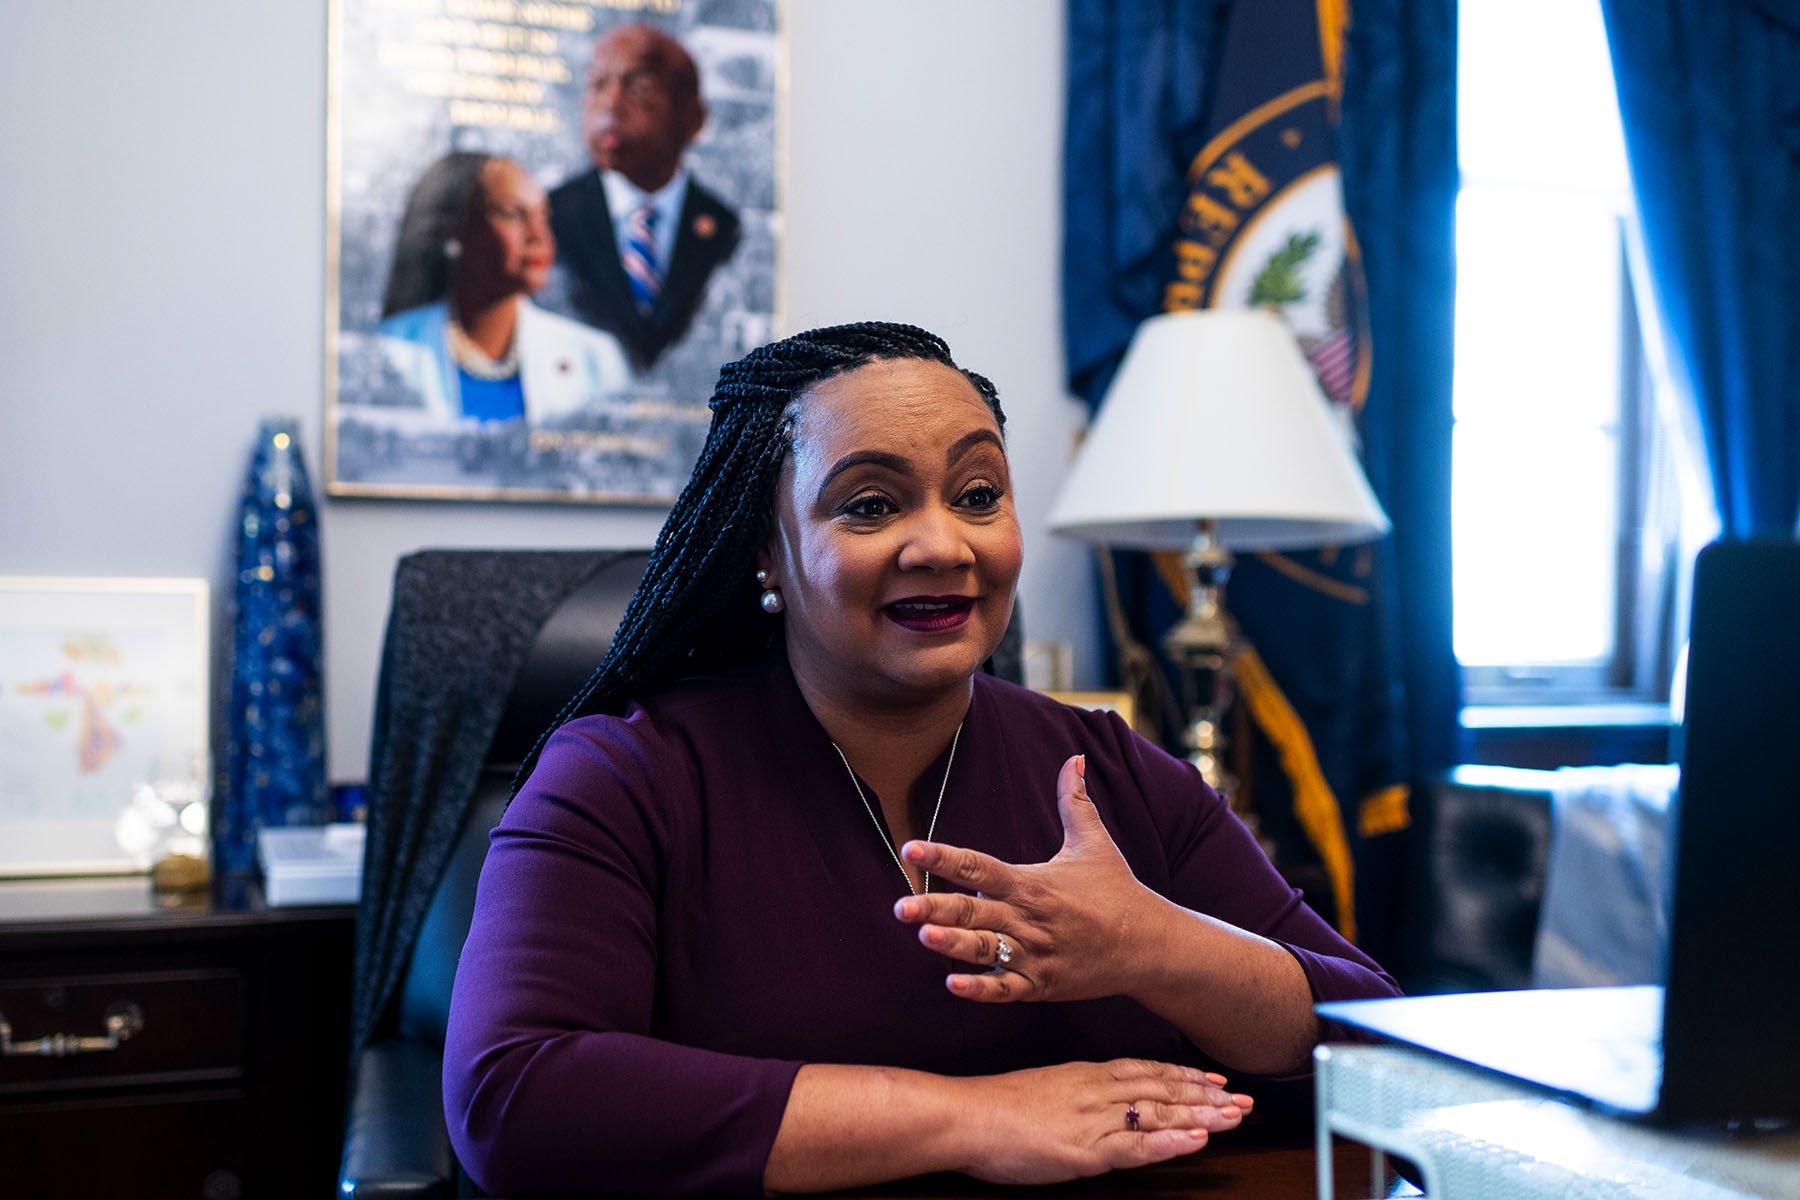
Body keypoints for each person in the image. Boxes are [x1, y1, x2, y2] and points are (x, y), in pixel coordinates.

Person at [442, 323, 1402, 1197]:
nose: (943, 545)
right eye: (869, 504)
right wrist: (974, 1119)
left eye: (979, 495)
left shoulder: (1103, 770)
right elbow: (514, 1096)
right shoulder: (622, 773)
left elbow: (1389, 1054)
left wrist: (1152, 946)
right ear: (767, 555)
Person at [378, 152, 630, 423]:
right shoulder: (391, 352)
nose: (538, 235)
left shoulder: (597, 359)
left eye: (543, 215)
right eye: (512, 214)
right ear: (453, 230)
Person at [549, 23, 742, 373]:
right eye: (598, 85)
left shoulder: (724, 227)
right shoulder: (552, 216)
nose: (611, 104)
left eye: (639, 87)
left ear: (693, 118)